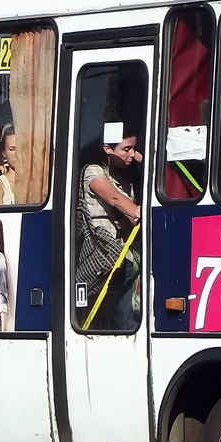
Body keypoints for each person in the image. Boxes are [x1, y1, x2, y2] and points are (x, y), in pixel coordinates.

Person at [77, 128, 142, 330]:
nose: (132, 154)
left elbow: (144, 159)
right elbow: (114, 198)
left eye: (135, 148)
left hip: (125, 255)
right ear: (107, 148)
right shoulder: (93, 171)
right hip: (104, 253)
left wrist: (136, 153)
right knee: (115, 318)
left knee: (122, 317)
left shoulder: (123, 174)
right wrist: (139, 212)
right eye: (126, 149)